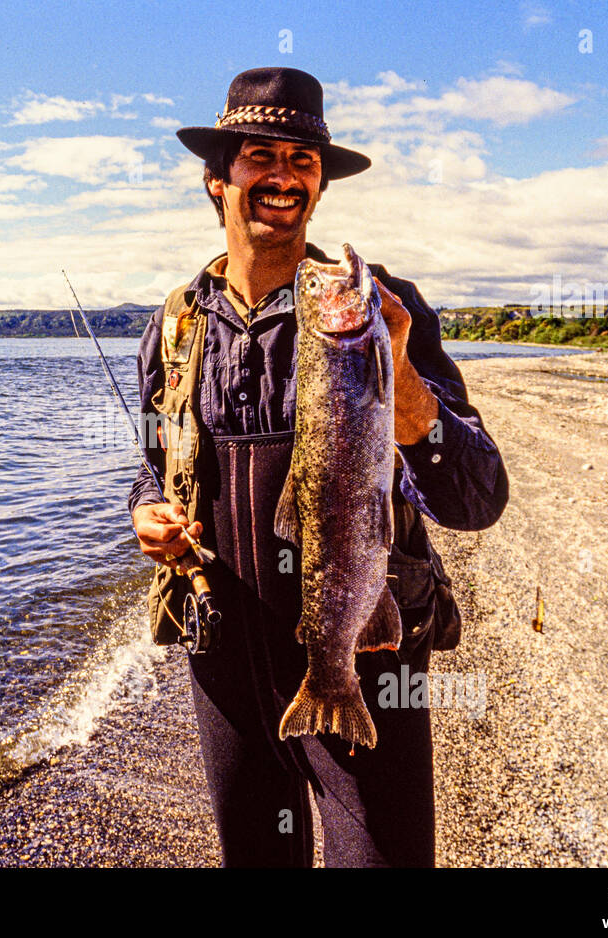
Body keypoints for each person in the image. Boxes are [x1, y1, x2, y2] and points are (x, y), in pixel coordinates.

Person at [128, 68, 508, 868]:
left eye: (303, 160)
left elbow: (478, 496)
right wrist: (147, 515)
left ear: (320, 186)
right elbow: (155, 466)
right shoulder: (176, 324)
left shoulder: (382, 309)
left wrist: (398, 382)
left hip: (364, 656)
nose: (282, 176)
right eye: (259, 155)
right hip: (224, 656)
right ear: (216, 179)